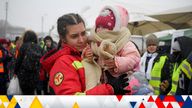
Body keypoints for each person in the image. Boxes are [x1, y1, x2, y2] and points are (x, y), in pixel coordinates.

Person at [40, 13, 129, 95]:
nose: (81, 40)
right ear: (62, 38)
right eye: (74, 36)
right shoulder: (63, 63)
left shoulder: (89, 53)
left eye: (83, 33)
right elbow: (71, 102)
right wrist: (109, 88)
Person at [82, 5, 140, 90]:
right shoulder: (94, 42)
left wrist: (117, 62)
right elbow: (90, 59)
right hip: (100, 86)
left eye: (104, 27)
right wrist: (88, 55)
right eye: (98, 26)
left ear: (114, 28)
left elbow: (134, 58)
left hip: (121, 84)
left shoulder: (124, 42)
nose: (100, 30)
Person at [14, 30, 43, 95]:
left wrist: (15, 72)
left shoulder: (23, 46)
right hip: (35, 75)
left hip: (24, 75)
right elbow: (42, 61)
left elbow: (18, 60)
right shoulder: (39, 47)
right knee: (31, 93)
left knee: (25, 93)